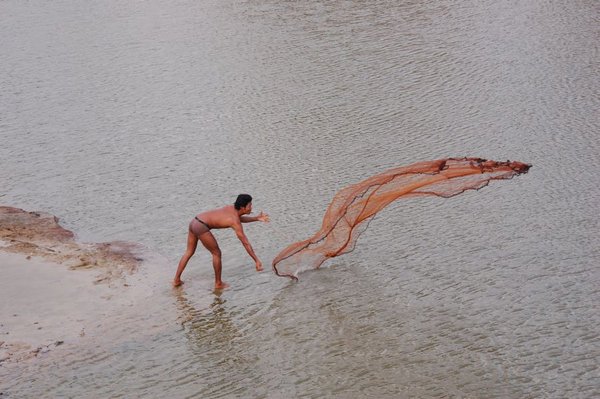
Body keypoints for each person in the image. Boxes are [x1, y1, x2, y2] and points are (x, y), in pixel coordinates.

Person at [173, 194, 270, 289]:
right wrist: (256, 260)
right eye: (250, 205)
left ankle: (176, 280)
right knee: (216, 253)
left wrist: (256, 218)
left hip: (195, 221)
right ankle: (218, 283)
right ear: (242, 207)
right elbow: (245, 242)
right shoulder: (234, 220)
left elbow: (239, 218)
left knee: (189, 252)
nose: (251, 207)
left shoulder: (231, 209)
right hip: (201, 226)